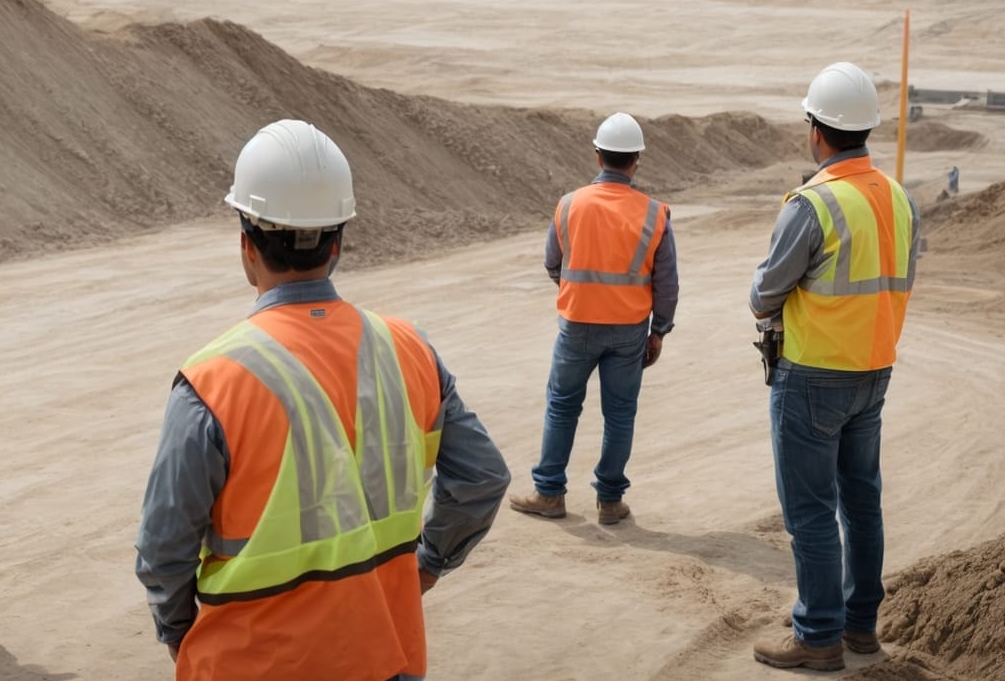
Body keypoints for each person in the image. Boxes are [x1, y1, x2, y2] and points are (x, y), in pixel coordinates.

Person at [135, 119, 510, 681]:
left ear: (246, 246)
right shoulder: (410, 351)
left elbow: (164, 546)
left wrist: (176, 629)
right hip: (385, 655)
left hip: (250, 663)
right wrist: (425, 568)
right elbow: (482, 479)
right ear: (338, 243)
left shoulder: (212, 381)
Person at [748, 63, 919, 672]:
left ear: (817, 130)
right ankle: (860, 629)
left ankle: (818, 635)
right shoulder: (899, 198)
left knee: (811, 511)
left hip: (813, 375)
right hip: (873, 372)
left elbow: (765, 294)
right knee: (861, 501)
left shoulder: (813, 203)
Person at [511, 112, 678, 526]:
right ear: (636, 159)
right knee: (620, 414)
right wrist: (658, 330)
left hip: (577, 324)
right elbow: (667, 282)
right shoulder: (655, 213)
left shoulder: (570, 205)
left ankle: (549, 493)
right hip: (629, 331)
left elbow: (554, 263)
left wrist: (580, 295)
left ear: (598, 155)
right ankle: (609, 502)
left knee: (562, 407)